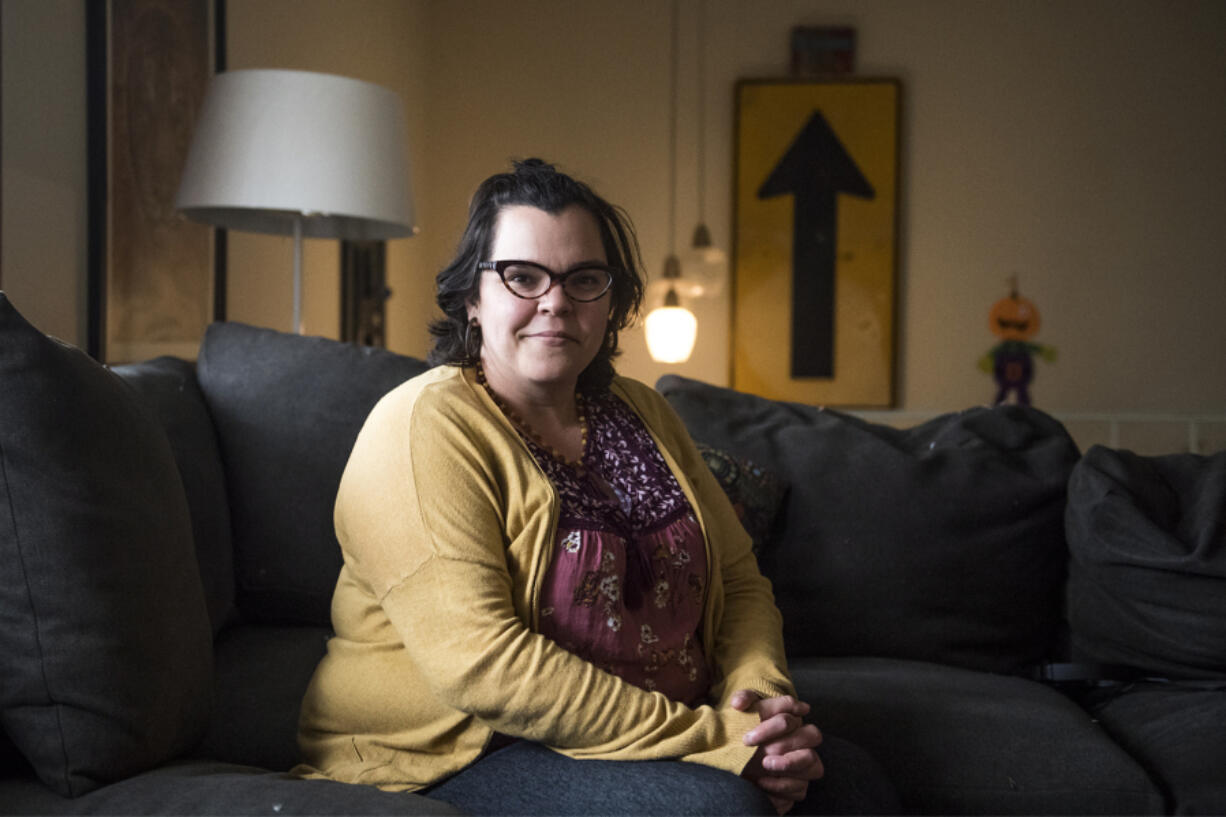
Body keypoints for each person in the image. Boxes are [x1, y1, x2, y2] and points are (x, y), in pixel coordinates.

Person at [295, 159, 898, 815]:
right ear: (472, 297)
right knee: (718, 808)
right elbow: (484, 664)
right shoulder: (424, 424)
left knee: (853, 780)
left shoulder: (644, 410)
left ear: (609, 302)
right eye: (522, 276)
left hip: (652, 730)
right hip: (459, 754)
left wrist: (758, 710)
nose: (555, 301)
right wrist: (716, 743)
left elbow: (740, 579)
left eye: (584, 279)